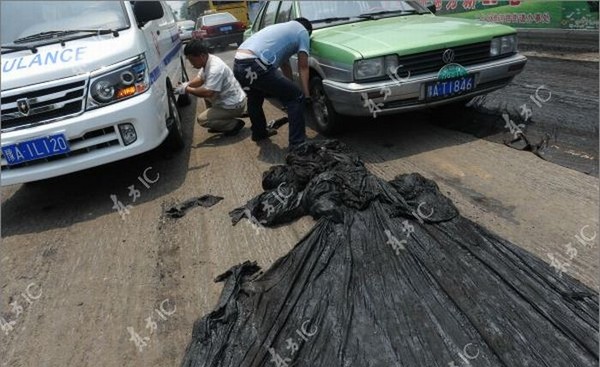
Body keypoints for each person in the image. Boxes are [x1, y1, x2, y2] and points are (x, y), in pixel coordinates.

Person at [233, 18, 312, 147]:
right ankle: (297, 144)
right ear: (308, 31)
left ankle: (259, 133)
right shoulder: (303, 32)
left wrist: (288, 87)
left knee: (254, 99)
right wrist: (306, 94)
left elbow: (285, 65)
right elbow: (303, 66)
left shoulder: (283, 29)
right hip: (255, 64)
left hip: (239, 64)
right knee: (296, 97)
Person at [176, 40, 247, 136]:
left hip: (233, 105)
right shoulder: (208, 60)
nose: (191, 64)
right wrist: (186, 84)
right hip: (229, 100)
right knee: (205, 94)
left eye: (192, 60)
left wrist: (187, 89)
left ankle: (233, 124)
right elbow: (200, 79)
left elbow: (208, 92)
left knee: (202, 120)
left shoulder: (215, 68)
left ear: (201, 56)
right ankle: (218, 122)